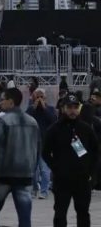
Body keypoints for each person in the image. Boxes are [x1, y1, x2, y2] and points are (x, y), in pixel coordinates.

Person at [0, 87, 41, 227]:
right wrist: (32, 170)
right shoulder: (33, 122)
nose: (0, 103)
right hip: (25, 174)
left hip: (4, 174)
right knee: (24, 215)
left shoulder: (3, 121)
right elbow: (37, 149)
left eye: (2, 100)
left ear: (11, 101)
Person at [42, 94, 98, 227]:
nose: (73, 110)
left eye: (75, 107)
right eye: (69, 107)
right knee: (60, 213)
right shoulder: (54, 129)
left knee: (83, 213)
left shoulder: (86, 129)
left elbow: (95, 152)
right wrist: (56, 168)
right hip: (62, 181)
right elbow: (45, 152)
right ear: (63, 108)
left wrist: (91, 173)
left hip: (82, 180)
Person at [25, 87, 58, 199]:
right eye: (37, 97)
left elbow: (53, 120)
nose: (39, 99)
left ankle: (44, 191)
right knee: (32, 170)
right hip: (32, 143)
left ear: (45, 98)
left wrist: (44, 108)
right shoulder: (30, 109)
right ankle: (34, 190)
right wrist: (33, 108)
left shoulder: (50, 109)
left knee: (44, 170)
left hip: (45, 143)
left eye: (41, 97)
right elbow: (25, 120)